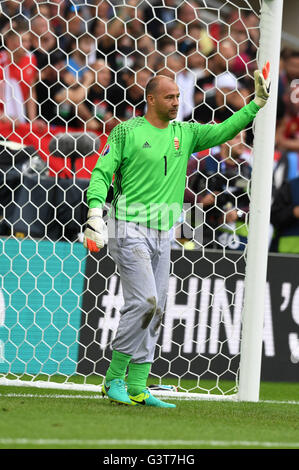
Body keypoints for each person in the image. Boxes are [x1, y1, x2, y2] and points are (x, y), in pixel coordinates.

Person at [83, 67, 270, 408]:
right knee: (145, 303)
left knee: (156, 309)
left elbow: (223, 130)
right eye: (169, 97)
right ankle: (113, 378)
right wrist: (95, 213)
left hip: (164, 232)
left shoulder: (185, 133)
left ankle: (138, 385)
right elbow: (101, 172)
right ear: (150, 98)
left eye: (177, 97)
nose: (175, 102)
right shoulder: (127, 132)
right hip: (127, 227)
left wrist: (254, 104)